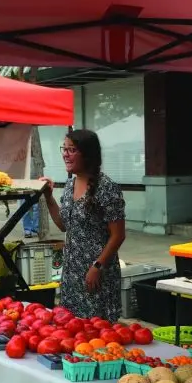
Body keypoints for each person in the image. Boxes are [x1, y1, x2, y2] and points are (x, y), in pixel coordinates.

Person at [40, 129, 126, 322]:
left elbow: (118, 235)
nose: (65, 154)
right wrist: (48, 196)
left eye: (72, 150)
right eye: (64, 149)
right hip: (72, 271)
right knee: (71, 327)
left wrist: (97, 266)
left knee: (97, 331)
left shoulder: (106, 187)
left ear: (87, 154)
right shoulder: (70, 185)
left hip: (96, 273)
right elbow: (64, 225)